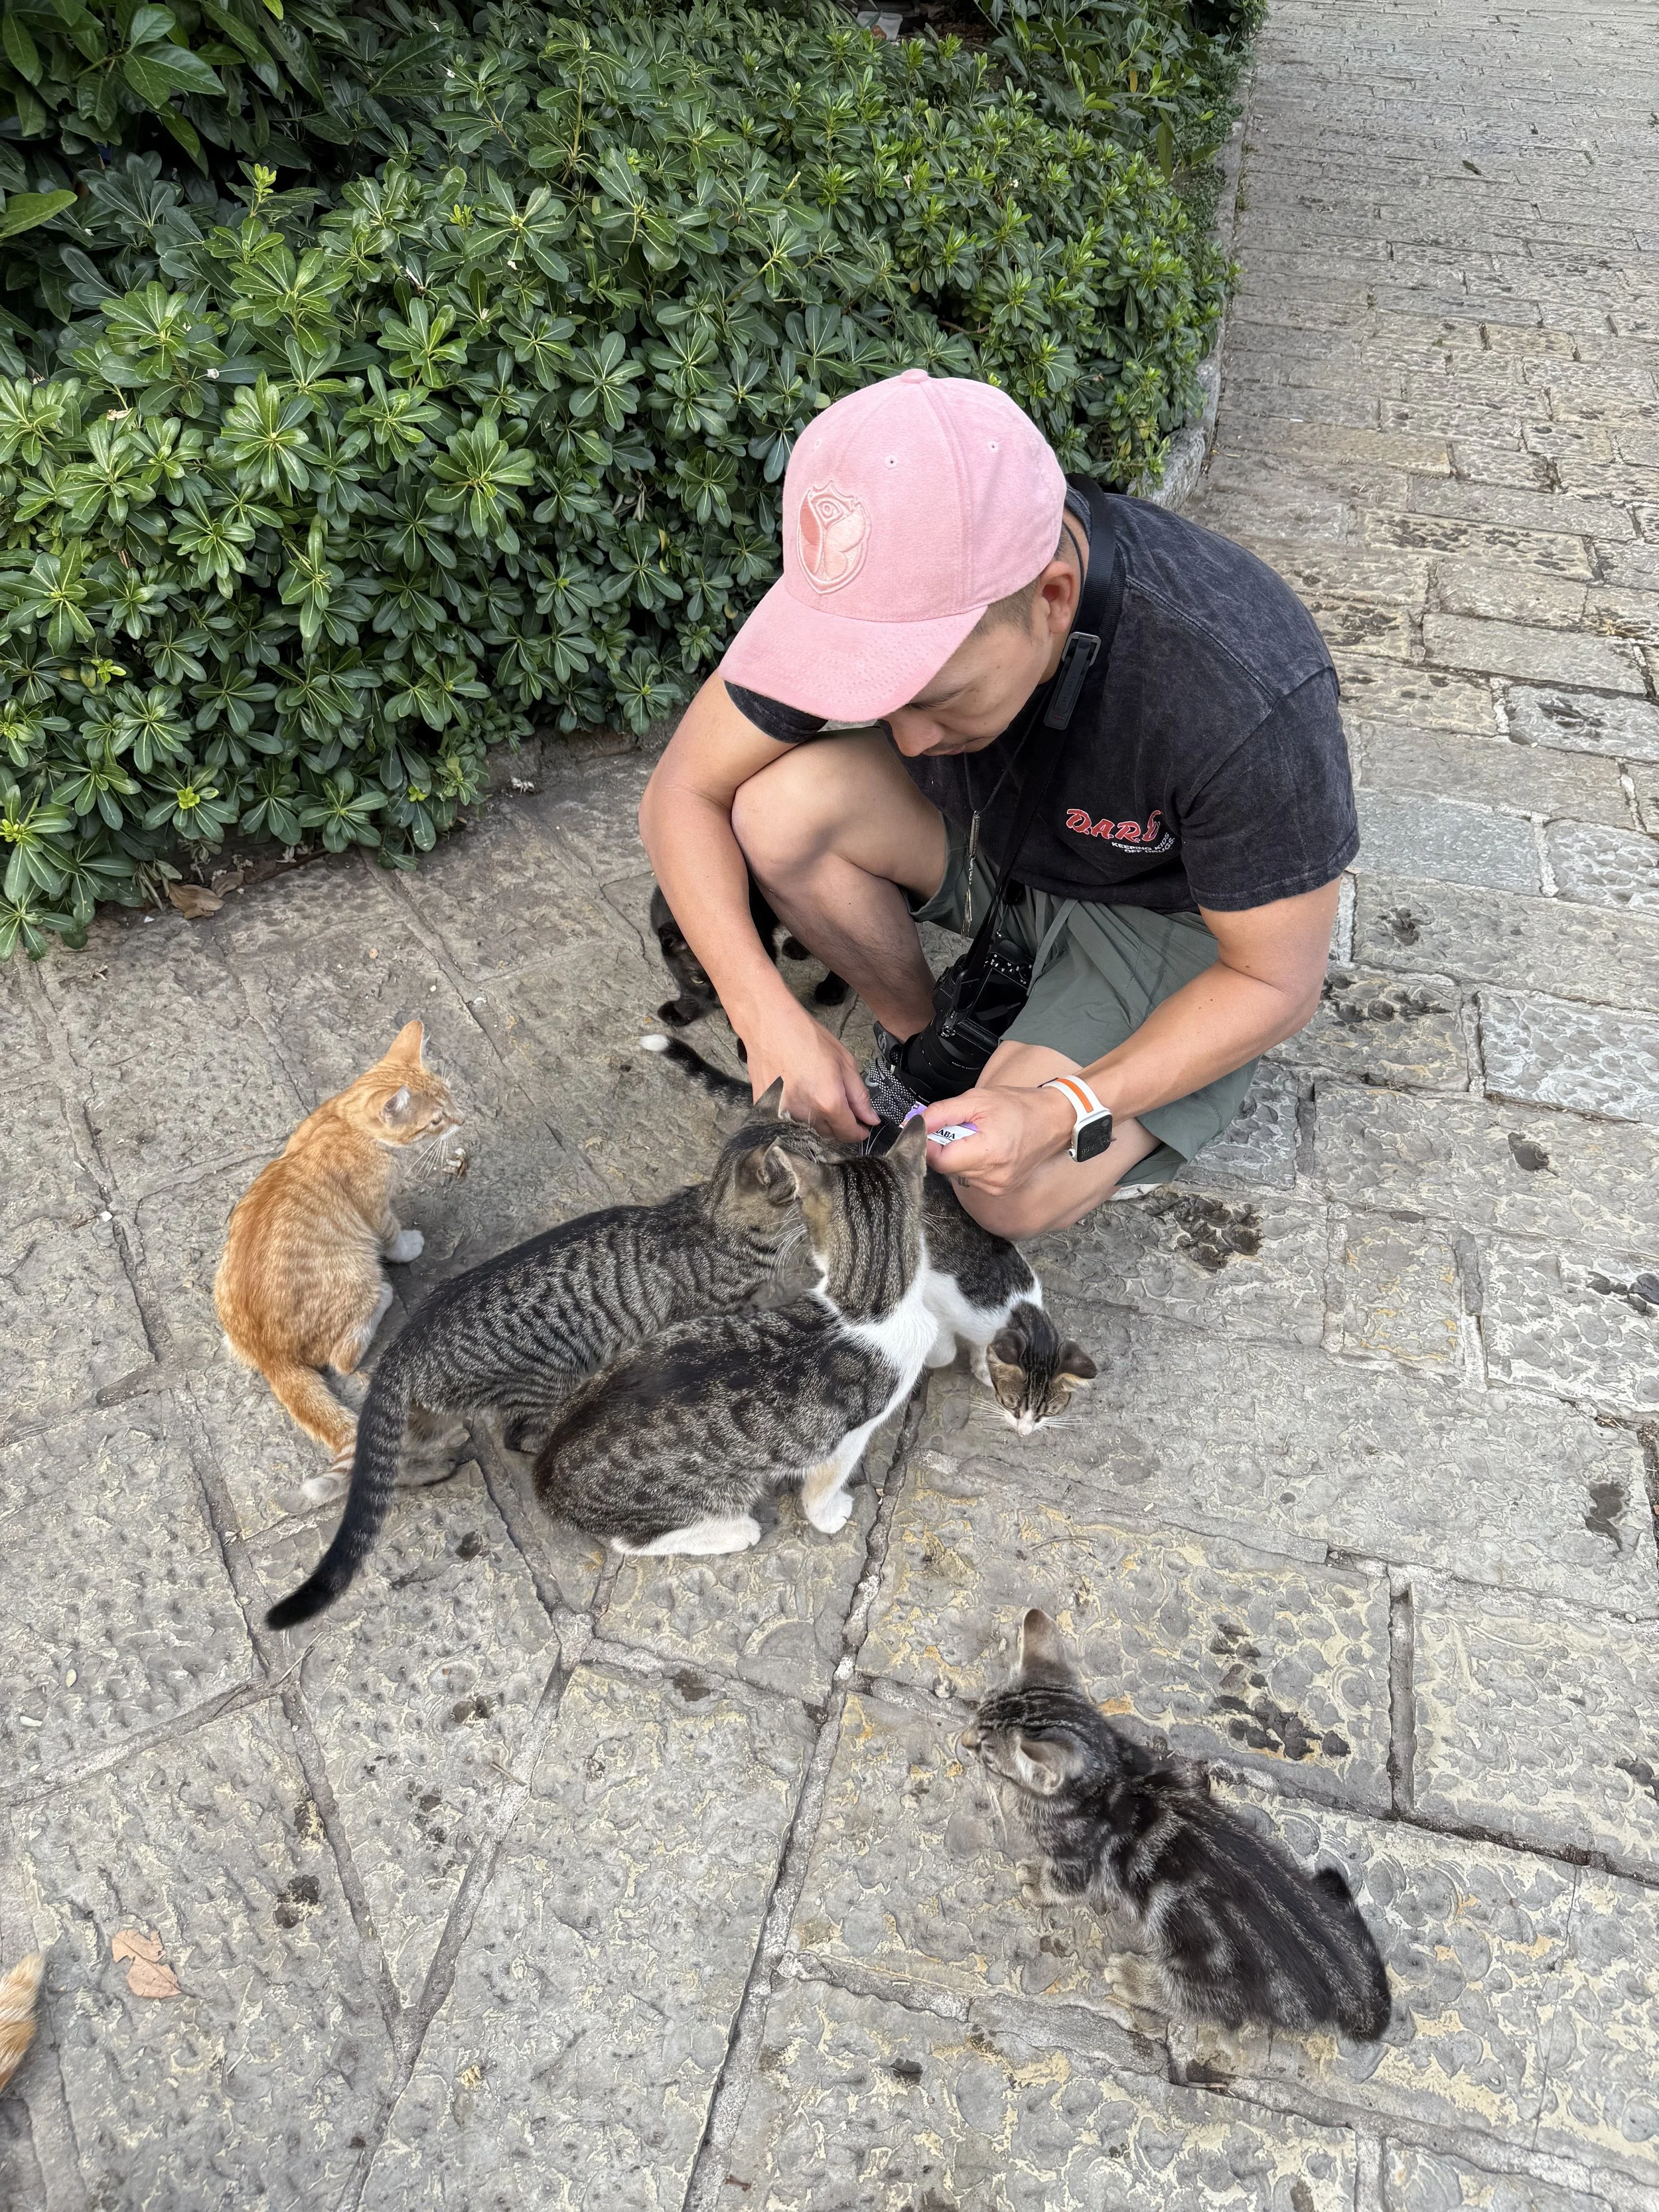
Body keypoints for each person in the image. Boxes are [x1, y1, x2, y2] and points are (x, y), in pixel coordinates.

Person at [638, 370, 1356, 1239]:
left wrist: (1064, 1107)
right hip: (998, 841)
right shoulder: (863, 586)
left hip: (1159, 917)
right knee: (779, 810)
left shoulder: (1241, 692)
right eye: (875, 696)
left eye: (935, 696)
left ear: (1052, 600)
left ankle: (1116, 1069)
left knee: (1008, 1191)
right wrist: (763, 1015)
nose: (906, 743)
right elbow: (683, 791)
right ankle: (934, 1046)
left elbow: (1278, 981)